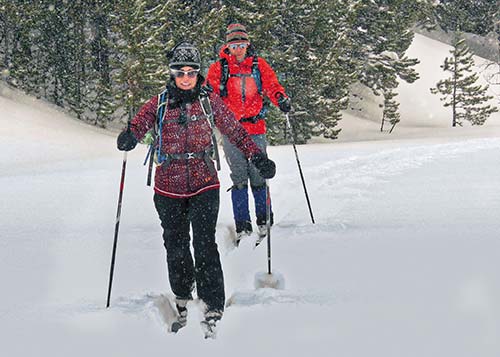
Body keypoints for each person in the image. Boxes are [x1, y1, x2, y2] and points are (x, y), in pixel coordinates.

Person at [116, 42, 275, 335]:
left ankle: (213, 302)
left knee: (204, 244)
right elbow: (139, 125)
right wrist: (129, 136)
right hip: (168, 187)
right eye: (181, 72)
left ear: (198, 74)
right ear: (172, 73)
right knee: (175, 245)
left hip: (204, 183)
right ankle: (182, 293)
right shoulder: (159, 103)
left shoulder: (209, 101)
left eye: (192, 72)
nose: (186, 77)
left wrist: (257, 157)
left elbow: (235, 130)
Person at [206, 23, 291, 243]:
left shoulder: (258, 65)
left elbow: (272, 85)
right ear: (227, 46)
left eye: (242, 44)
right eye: (234, 45)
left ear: (248, 44)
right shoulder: (219, 68)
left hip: (255, 128)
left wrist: (280, 98)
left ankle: (265, 221)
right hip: (231, 130)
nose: (238, 49)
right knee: (239, 177)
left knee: (259, 174)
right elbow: (210, 93)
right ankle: (243, 225)